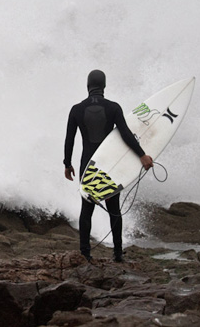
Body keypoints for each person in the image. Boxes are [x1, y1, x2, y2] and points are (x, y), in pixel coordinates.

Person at [63, 69, 153, 262]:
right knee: (114, 208)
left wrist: (67, 163)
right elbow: (126, 134)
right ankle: (118, 253)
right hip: (109, 165)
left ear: (88, 85)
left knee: (87, 208)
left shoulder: (76, 109)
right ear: (104, 86)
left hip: (88, 165)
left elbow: (69, 139)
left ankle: (85, 253)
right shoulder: (113, 108)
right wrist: (142, 155)